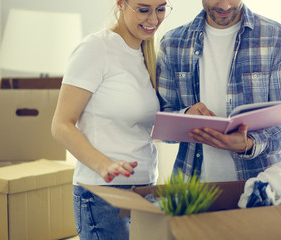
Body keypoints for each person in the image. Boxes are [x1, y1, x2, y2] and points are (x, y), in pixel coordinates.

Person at [51, 0, 172, 239]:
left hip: (145, 188)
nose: (153, 19)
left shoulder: (148, 53)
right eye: (143, 9)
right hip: (103, 193)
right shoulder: (96, 48)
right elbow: (61, 125)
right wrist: (104, 164)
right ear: (121, 4)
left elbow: (136, 124)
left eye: (160, 9)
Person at [156, 0, 281, 183]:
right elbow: (162, 125)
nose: (225, 6)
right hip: (192, 189)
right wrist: (186, 115)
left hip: (259, 188)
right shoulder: (172, 43)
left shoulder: (276, 38)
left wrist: (249, 144)